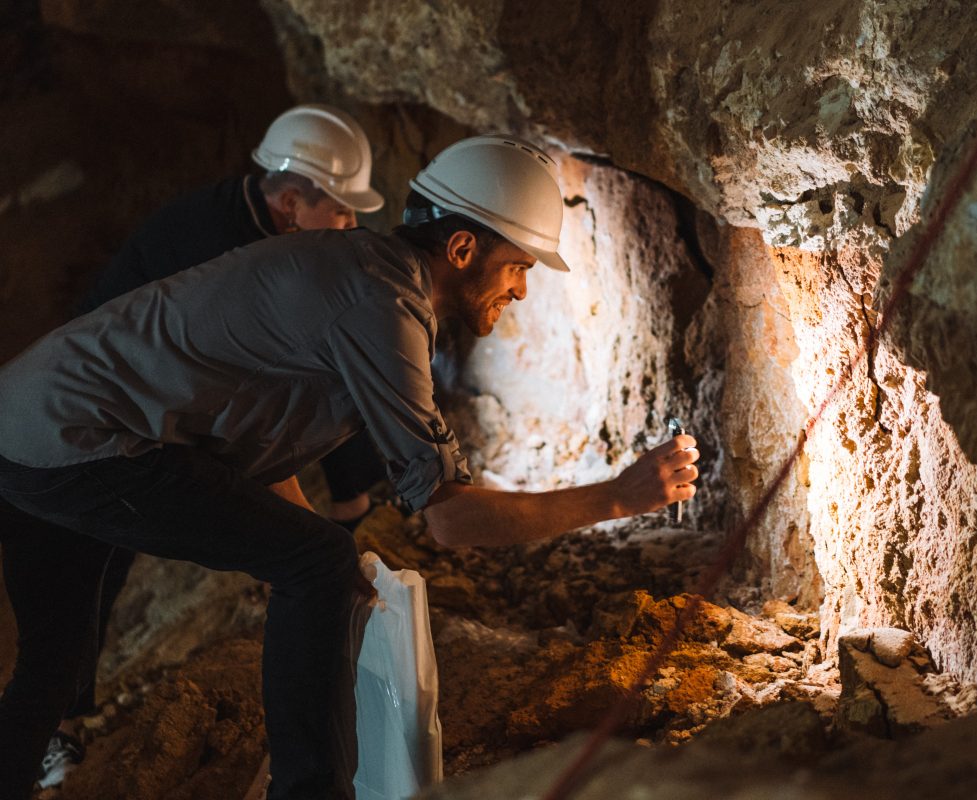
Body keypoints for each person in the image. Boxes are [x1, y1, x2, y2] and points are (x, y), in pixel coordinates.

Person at [0, 134, 700, 799]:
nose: (520, 289)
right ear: (461, 247)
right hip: (85, 440)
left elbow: (256, 438)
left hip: (26, 421)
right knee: (315, 562)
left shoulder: (348, 269)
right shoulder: (383, 306)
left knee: (55, 663)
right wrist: (617, 496)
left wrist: (315, 565)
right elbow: (450, 518)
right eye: (518, 265)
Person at [23, 104, 392, 790]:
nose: (351, 228)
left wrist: (345, 497)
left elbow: (312, 371)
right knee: (80, 576)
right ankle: (54, 735)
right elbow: (233, 413)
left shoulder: (281, 242)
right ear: (289, 203)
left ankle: (55, 728)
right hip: (94, 418)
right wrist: (292, 528)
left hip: (137, 409)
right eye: (341, 212)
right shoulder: (213, 245)